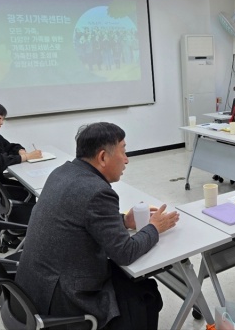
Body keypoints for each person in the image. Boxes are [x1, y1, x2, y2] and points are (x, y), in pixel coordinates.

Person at [15, 122, 180, 330]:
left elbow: (80, 220)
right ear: (103, 157)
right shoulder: (97, 191)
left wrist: (123, 221)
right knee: (146, 291)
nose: (127, 160)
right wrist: (155, 227)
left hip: (33, 287)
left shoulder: (62, 172)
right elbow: (125, 253)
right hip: (62, 297)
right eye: (123, 151)